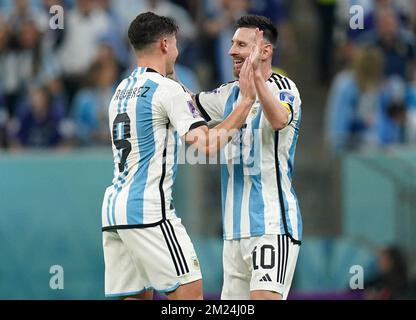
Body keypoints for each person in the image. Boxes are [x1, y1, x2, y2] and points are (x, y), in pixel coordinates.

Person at [101, 12, 256, 300]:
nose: (177, 50)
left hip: (113, 211)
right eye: (175, 43)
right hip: (148, 210)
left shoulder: (121, 89)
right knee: (190, 292)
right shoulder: (168, 89)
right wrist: (245, 102)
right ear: (164, 44)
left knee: (135, 297)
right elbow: (207, 145)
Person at [194, 15, 303, 300]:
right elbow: (188, 103)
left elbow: (279, 120)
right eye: (232, 44)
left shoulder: (285, 89)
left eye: (241, 45)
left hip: (271, 225)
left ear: (264, 51)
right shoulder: (227, 94)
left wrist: (255, 78)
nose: (231, 51)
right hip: (233, 233)